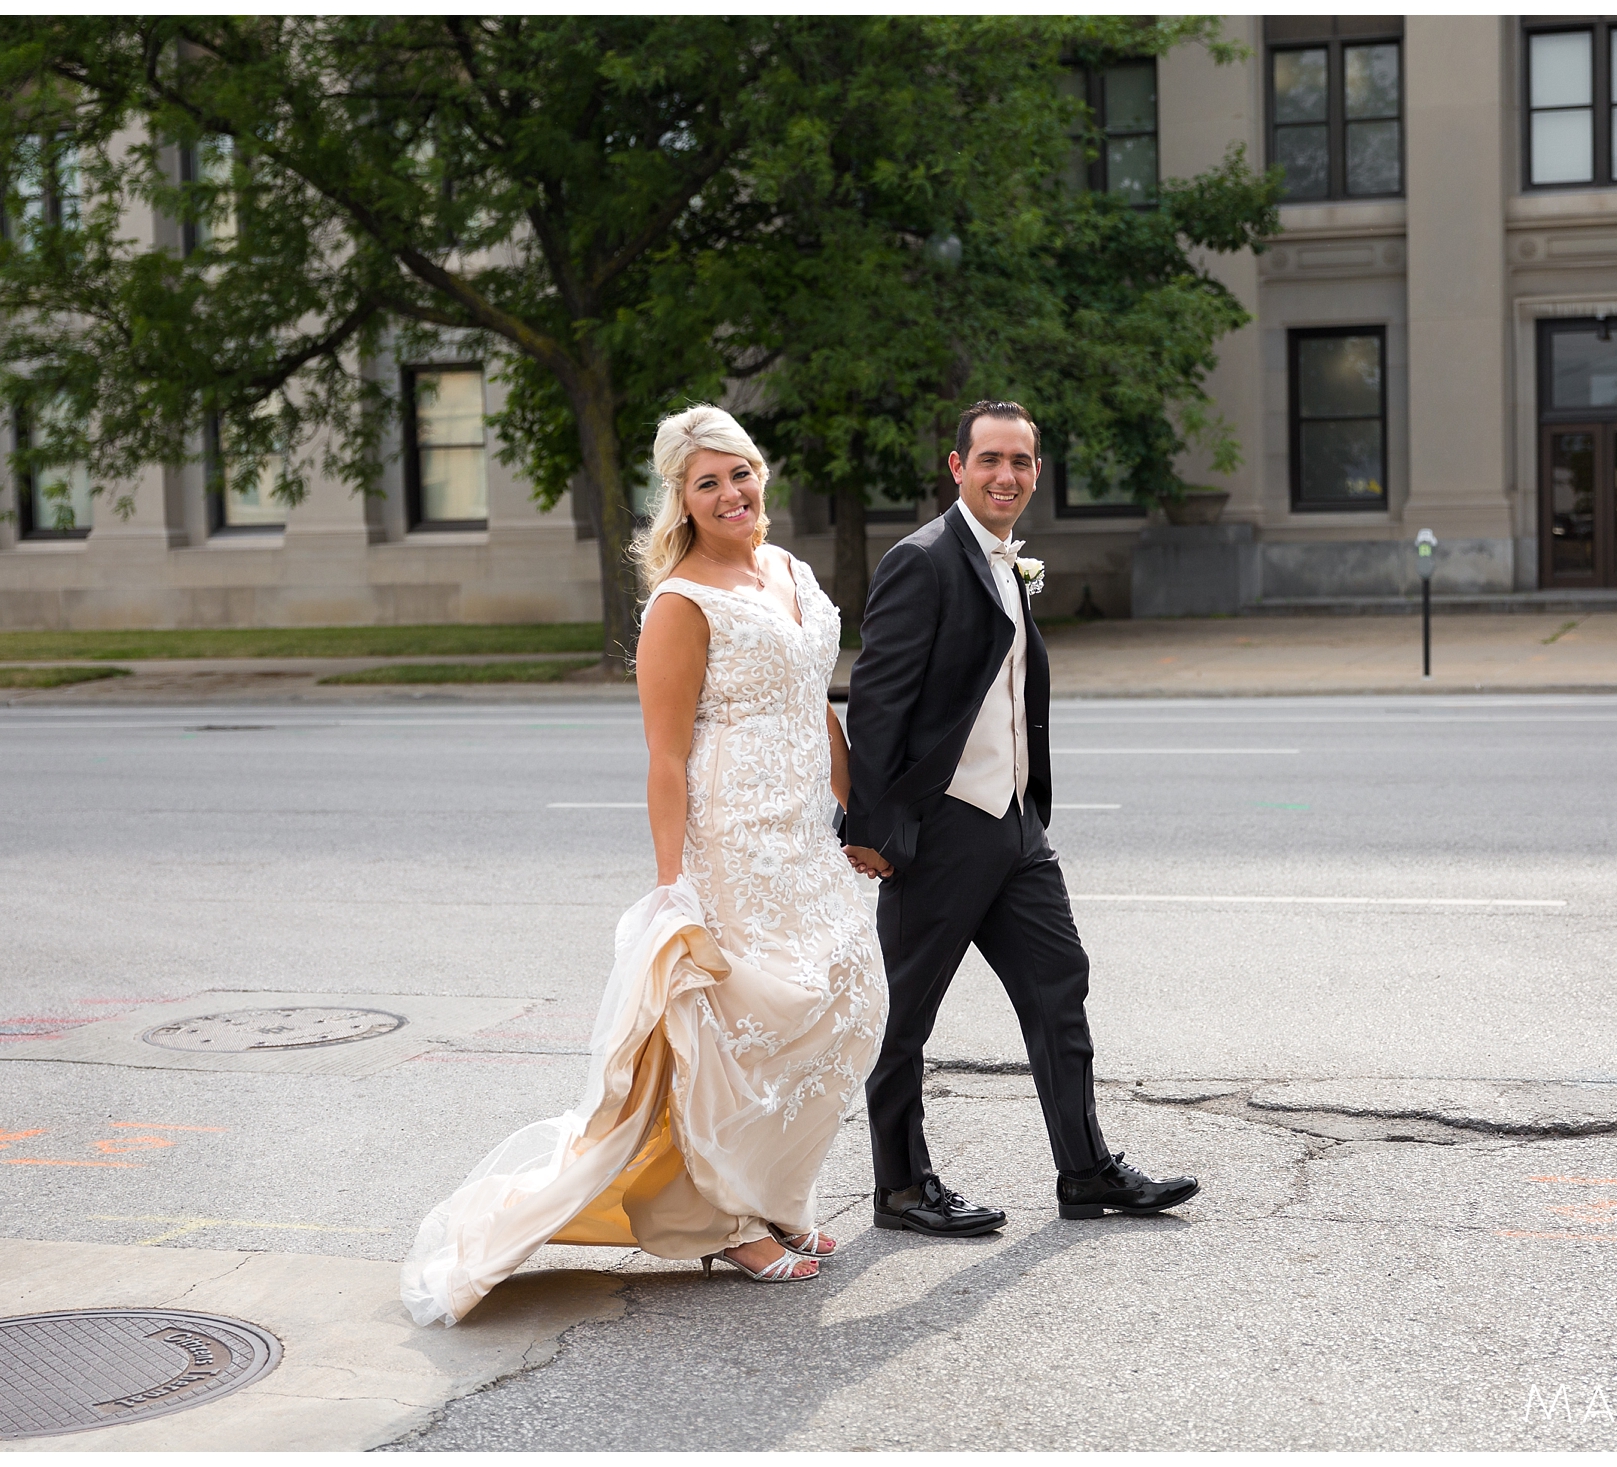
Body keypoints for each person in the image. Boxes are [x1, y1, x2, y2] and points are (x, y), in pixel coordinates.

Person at [402, 405, 886, 1324]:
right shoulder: (680, 602)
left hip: (803, 837)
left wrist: (856, 803)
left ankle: (778, 1192)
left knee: (846, 1003)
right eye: (707, 483)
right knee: (735, 1033)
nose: (730, 493)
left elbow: (810, 698)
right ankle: (728, 1218)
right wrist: (676, 888)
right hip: (732, 840)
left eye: (738, 473)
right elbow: (664, 759)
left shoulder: (788, 570)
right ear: (682, 501)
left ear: (758, 475)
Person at [841, 400, 1198, 1237]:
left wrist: (1025, 807)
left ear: (1037, 472)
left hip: (1014, 827)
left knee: (1059, 986)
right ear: (957, 466)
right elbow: (877, 705)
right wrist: (871, 827)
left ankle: (1084, 1170)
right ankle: (899, 1186)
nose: (1007, 475)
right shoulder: (920, 560)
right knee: (904, 1015)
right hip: (941, 830)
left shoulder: (1007, 562)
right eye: (991, 459)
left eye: (1023, 462)